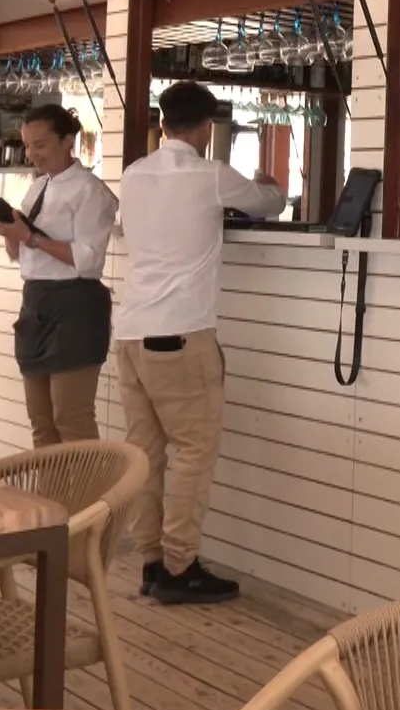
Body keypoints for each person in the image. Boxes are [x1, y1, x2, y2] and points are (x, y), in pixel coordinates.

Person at [115, 82, 285, 604]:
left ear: (163, 123)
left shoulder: (134, 174)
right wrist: (268, 180)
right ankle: (179, 566)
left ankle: (151, 561)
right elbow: (271, 204)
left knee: (146, 454)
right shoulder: (212, 175)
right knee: (193, 451)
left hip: (131, 333)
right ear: (208, 127)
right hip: (182, 335)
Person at [0, 105, 119, 447]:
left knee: (71, 418)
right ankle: (49, 485)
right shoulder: (37, 187)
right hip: (35, 301)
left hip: (77, 303)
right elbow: (20, 255)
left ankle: (89, 485)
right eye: (27, 145)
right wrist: (10, 234)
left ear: (68, 142)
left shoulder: (91, 191)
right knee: (41, 421)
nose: (31, 154)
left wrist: (31, 238)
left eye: (40, 145)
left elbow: (88, 260)